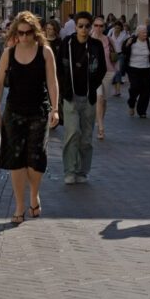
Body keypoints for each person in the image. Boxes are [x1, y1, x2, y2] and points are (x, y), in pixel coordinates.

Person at [0, 11, 59, 224]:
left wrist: (55, 109)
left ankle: (34, 194)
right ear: (15, 33)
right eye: (21, 33)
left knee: (36, 159)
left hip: (39, 110)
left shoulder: (45, 52)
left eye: (29, 33)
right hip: (14, 112)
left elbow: (52, 82)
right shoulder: (9, 54)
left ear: (35, 32)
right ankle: (20, 204)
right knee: (16, 160)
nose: (25, 37)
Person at [57, 10, 106, 184]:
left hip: (89, 97)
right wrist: (64, 90)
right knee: (72, 133)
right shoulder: (67, 44)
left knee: (86, 138)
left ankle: (82, 171)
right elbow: (59, 68)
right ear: (75, 27)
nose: (84, 30)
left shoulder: (96, 46)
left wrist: (93, 85)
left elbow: (102, 69)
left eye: (87, 26)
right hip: (70, 97)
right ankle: (70, 171)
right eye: (81, 26)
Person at [123, 25, 150, 118]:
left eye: (146, 32)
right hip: (134, 68)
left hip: (146, 68)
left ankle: (142, 111)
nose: (145, 34)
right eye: (143, 32)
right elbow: (123, 51)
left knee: (146, 91)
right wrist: (127, 45)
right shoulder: (132, 40)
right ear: (138, 33)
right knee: (135, 88)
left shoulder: (149, 41)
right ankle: (131, 103)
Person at [91, 16, 115, 139]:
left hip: (108, 73)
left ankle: (100, 120)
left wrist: (115, 69)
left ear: (104, 27)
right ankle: (100, 127)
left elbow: (115, 55)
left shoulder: (108, 40)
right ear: (93, 26)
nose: (98, 28)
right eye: (96, 25)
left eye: (101, 26)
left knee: (104, 100)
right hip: (94, 74)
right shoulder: (89, 40)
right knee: (99, 97)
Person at [108, 20, 128, 96]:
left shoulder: (124, 34)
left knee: (118, 72)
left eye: (118, 28)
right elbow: (107, 41)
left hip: (120, 55)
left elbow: (127, 43)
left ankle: (118, 91)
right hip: (112, 54)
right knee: (114, 72)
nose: (117, 29)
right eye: (116, 27)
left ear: (121, 28)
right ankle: (115, 90)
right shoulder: (111, 32)